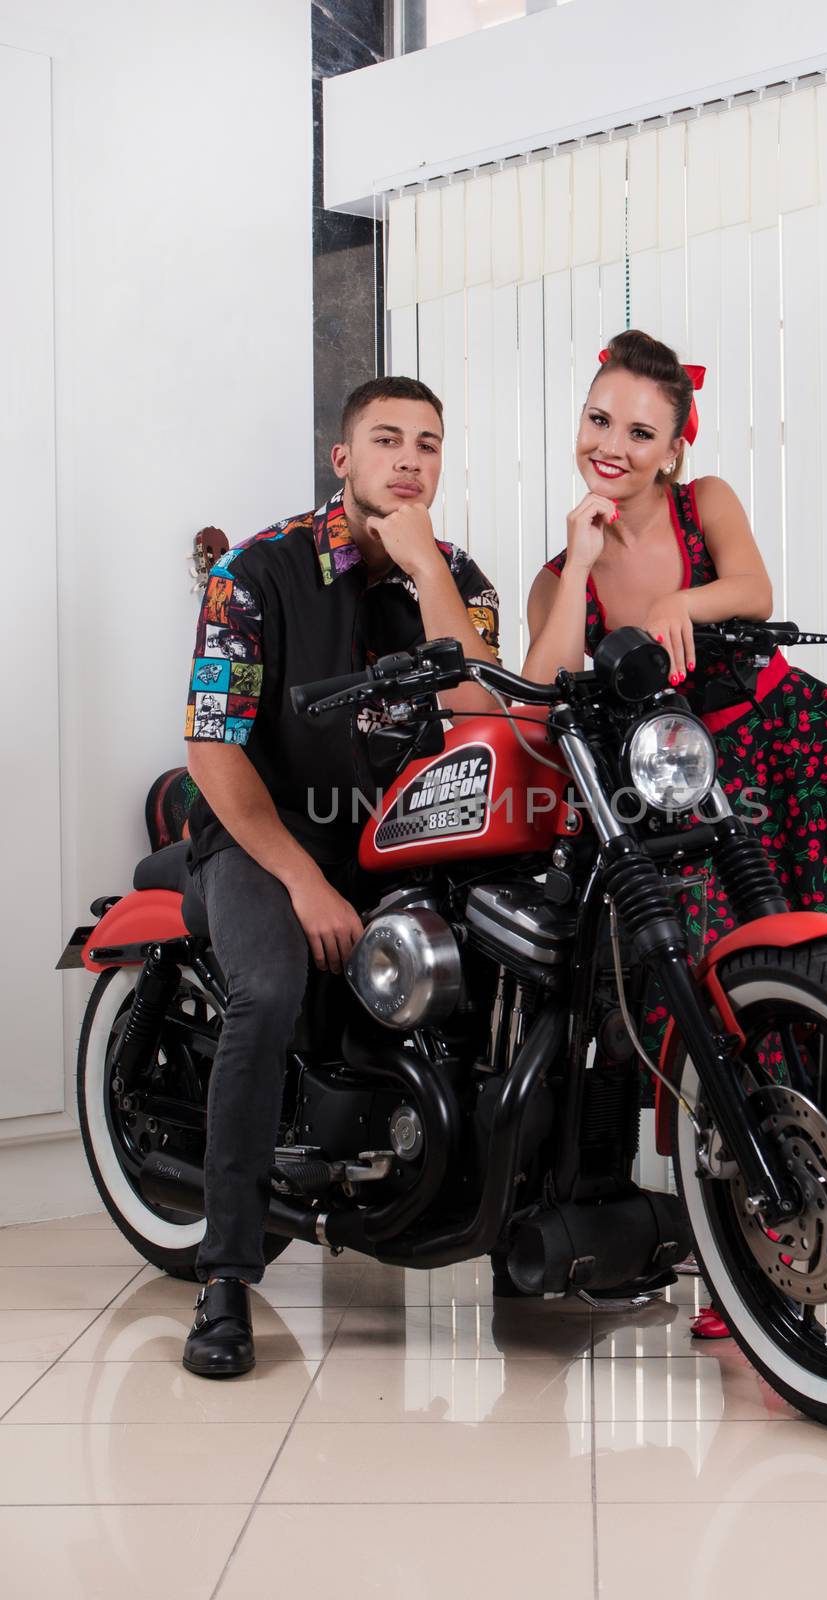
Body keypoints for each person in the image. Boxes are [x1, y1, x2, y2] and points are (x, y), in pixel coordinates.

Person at [522, 328, 827, 1338]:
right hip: (674, 783)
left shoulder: (707, 504)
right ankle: (749, 1249)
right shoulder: (564, 561)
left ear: (672, 446)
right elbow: (545, 677)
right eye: (597, 419)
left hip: (782, 751)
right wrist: (581, 563)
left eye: (637, 430)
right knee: (710, 1009)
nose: (611, 444)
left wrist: (677, 605)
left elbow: (751, 590)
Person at [181, 375, 500, 1377]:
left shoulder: (452, 573)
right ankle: (224, 1274)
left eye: (429, 445)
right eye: (386, 439)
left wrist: (420, 570)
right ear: (342, 458)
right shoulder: (255, 570)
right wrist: (303, 884)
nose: (409, 460)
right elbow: (213, 751)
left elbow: (484, 700)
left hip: (398, 845)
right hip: (262, 839)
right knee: (269, 990)